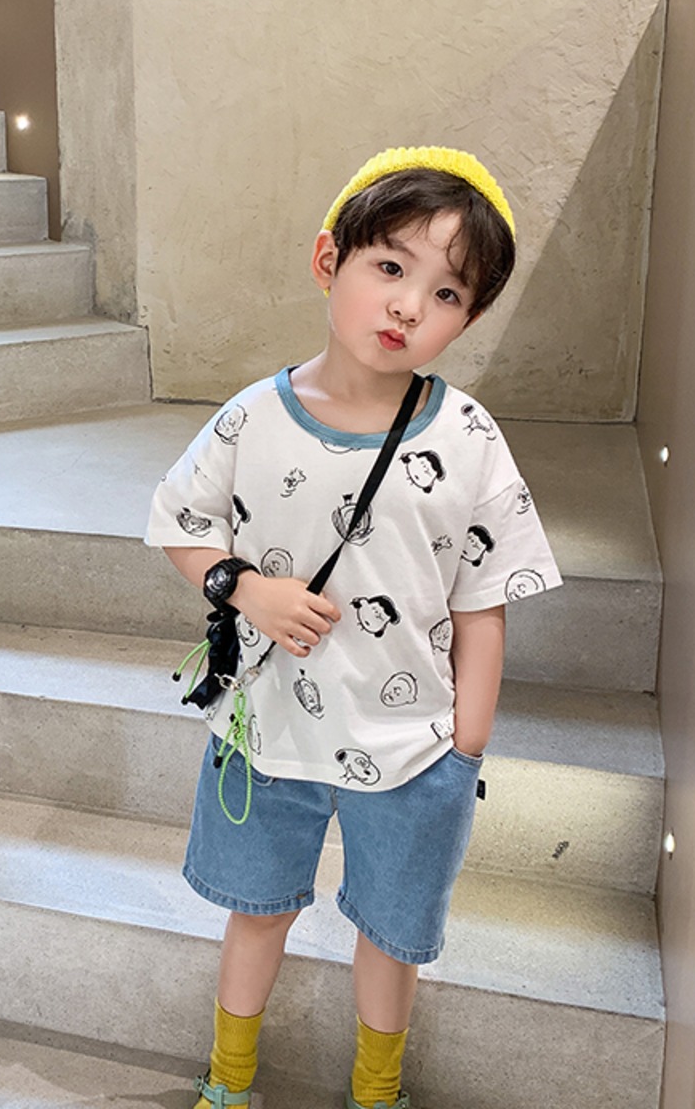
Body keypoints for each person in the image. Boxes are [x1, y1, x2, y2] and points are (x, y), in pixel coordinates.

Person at [144, 147, 561, 1109]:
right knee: (257, 913)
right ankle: (229, 1082)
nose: (410, 306)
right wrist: (244, 589)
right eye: (390, 267)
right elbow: (179, 522)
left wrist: (466, 747)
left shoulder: (468, 438)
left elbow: (482, 601)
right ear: (329, 260)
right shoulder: (253, 418)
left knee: (390, 932)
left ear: (469, 319)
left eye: (447, 292)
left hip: (414, 751)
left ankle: (377, 1091)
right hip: (266, 732)